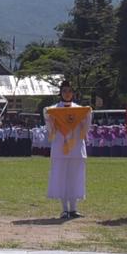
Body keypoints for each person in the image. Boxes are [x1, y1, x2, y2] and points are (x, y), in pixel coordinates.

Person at [44, 81, 91, 219]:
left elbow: (86, 127)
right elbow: (50, 128)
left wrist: (88, 114)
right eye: (64, 90)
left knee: (75, 177)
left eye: (70, 90)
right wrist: (47, 115)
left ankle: (74, 209)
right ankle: (64, 209)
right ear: (61, 92)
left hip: (76, 147)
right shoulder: (53, 109)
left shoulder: (80, 110)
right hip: (60, 147)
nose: (67, 93)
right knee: (61, 177)